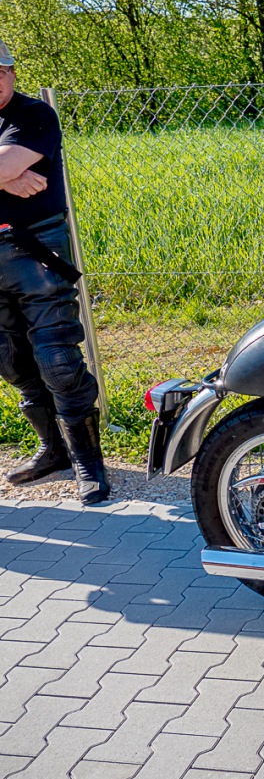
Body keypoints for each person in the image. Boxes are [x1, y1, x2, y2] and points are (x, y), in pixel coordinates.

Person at [0, 37, 110, 505]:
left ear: (12, 72)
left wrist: (10, 168)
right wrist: (6, 176)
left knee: (59, 361)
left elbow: (12, 159)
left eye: (1, 71)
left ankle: (88, 462)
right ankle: (53, 451)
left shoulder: (34, 116)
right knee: (9, 360)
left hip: (36, 251)